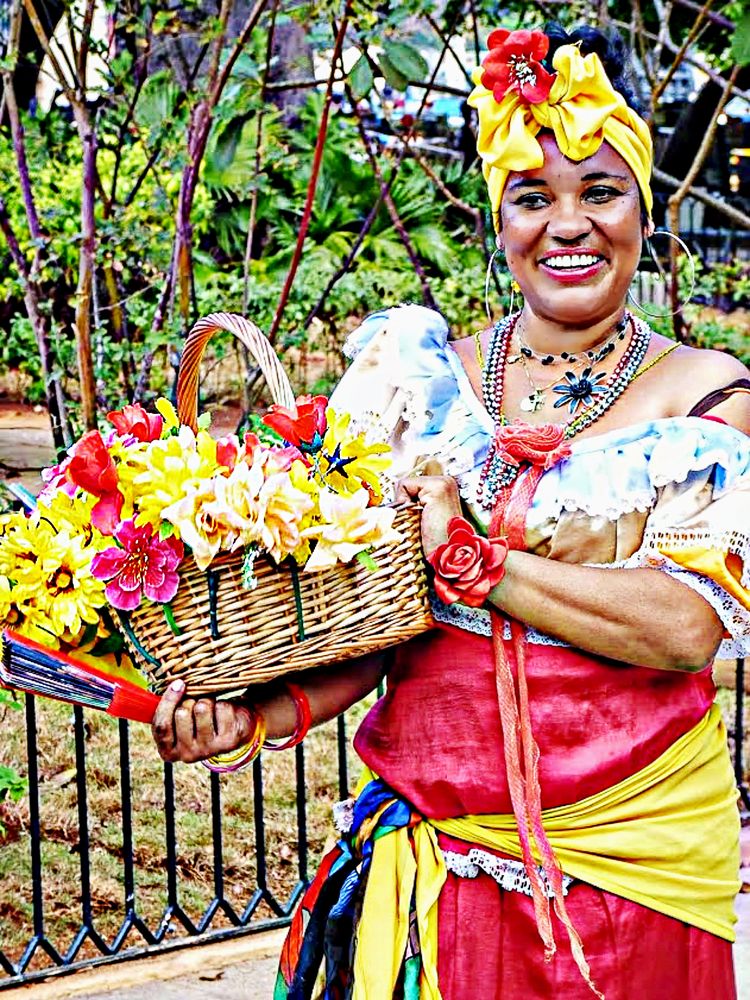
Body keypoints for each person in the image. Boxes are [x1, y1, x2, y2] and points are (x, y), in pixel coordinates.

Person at [151, 23, 750, 1000]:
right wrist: (256, 716)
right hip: (437, 874)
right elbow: (373, 626)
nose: (569, 224)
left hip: (637, 879)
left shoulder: (705, 393)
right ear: (497, 218)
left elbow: (685, 628)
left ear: (646, 209)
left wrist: (482, 564)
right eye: (532, 197)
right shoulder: (413, 379)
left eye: (600, 192)